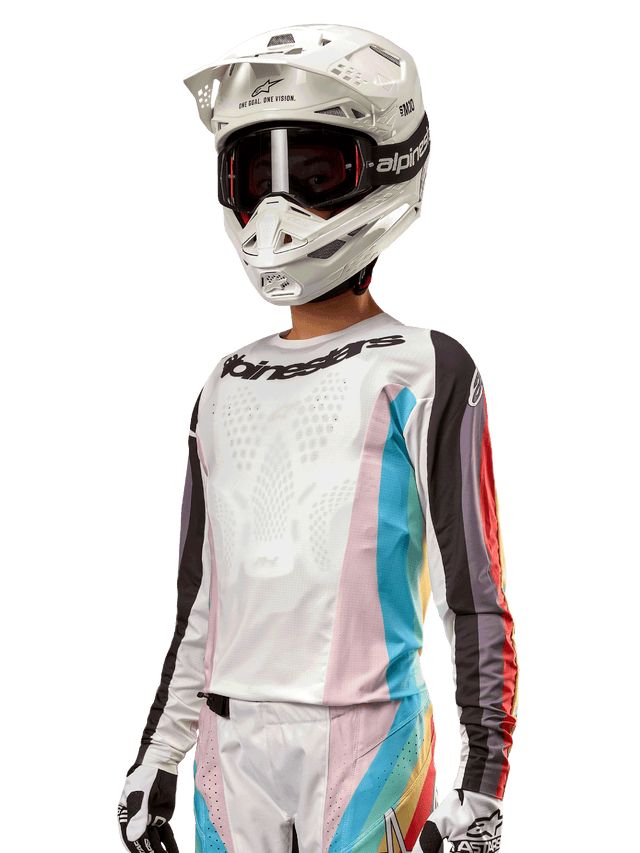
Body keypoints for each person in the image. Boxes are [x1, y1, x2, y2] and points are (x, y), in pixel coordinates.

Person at [116, 23, 519, 853]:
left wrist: (483, 779)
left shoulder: (425, 367)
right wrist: (156, 755)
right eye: (253, 174)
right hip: (230, 745)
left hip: (368, 737)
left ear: (387, 165)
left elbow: (471, 587)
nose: (276, 208)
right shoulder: (223, 382)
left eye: (314, 173)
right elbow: (200, 597)